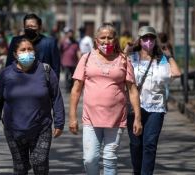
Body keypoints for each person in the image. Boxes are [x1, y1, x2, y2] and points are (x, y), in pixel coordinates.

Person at [69, 24, 142, 175]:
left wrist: (137, 118)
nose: (106, 41)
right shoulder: (86, 58)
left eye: (110, 38)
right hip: (90, 119)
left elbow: (133, 91)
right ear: (96, 40)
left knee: (110, 159)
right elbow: (76, 89)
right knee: (90, 159)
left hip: (116, 119)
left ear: (115, 40)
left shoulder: (123, 60)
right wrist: (72, 117)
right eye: (102, 38)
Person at [0, 38, 65, 174]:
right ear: (15, 54)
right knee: (20, 168)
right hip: (14, 131)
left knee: (39, 162)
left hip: (41, 128)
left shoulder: (45, 71)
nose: (27, 52)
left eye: (30, 49)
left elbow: (56, 97)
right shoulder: (6, 74)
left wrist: (59, 123)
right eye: (23, 50)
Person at [125, 26, 181, 175]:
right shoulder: (132, 58)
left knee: (149, 144)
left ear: (155, 40)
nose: (148, 41)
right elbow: (119, 70)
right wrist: (126, 50)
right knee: (136, 144)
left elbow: (176, 73)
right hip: (133, 108)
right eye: (144, 38)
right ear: (139, 40)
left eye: (151, 38)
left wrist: (169, 56)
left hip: (155, 108)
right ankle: (137, 171)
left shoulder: (161, 60)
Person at [5, 13, 60, 78]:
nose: (30, 29)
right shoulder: (16, 41)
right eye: (27, 27)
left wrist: (53, 85)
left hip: (42, 83)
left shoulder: (50, 43)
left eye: (33, 26)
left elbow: (56, 68)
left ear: (39, 27)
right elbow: (9, 64)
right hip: (20, 81)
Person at [60, 28, 80, 92]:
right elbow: (60, 51)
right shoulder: (63, 42)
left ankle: (71, 86)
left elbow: (78, 51)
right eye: (69, 33)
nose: (70, 35)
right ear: (67, 34)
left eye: (71, 33)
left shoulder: (76, 43)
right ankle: (67, 87)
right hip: (65, 62)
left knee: (72, 75)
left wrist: (79, 60)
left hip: (73, 62)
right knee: (67, 74)